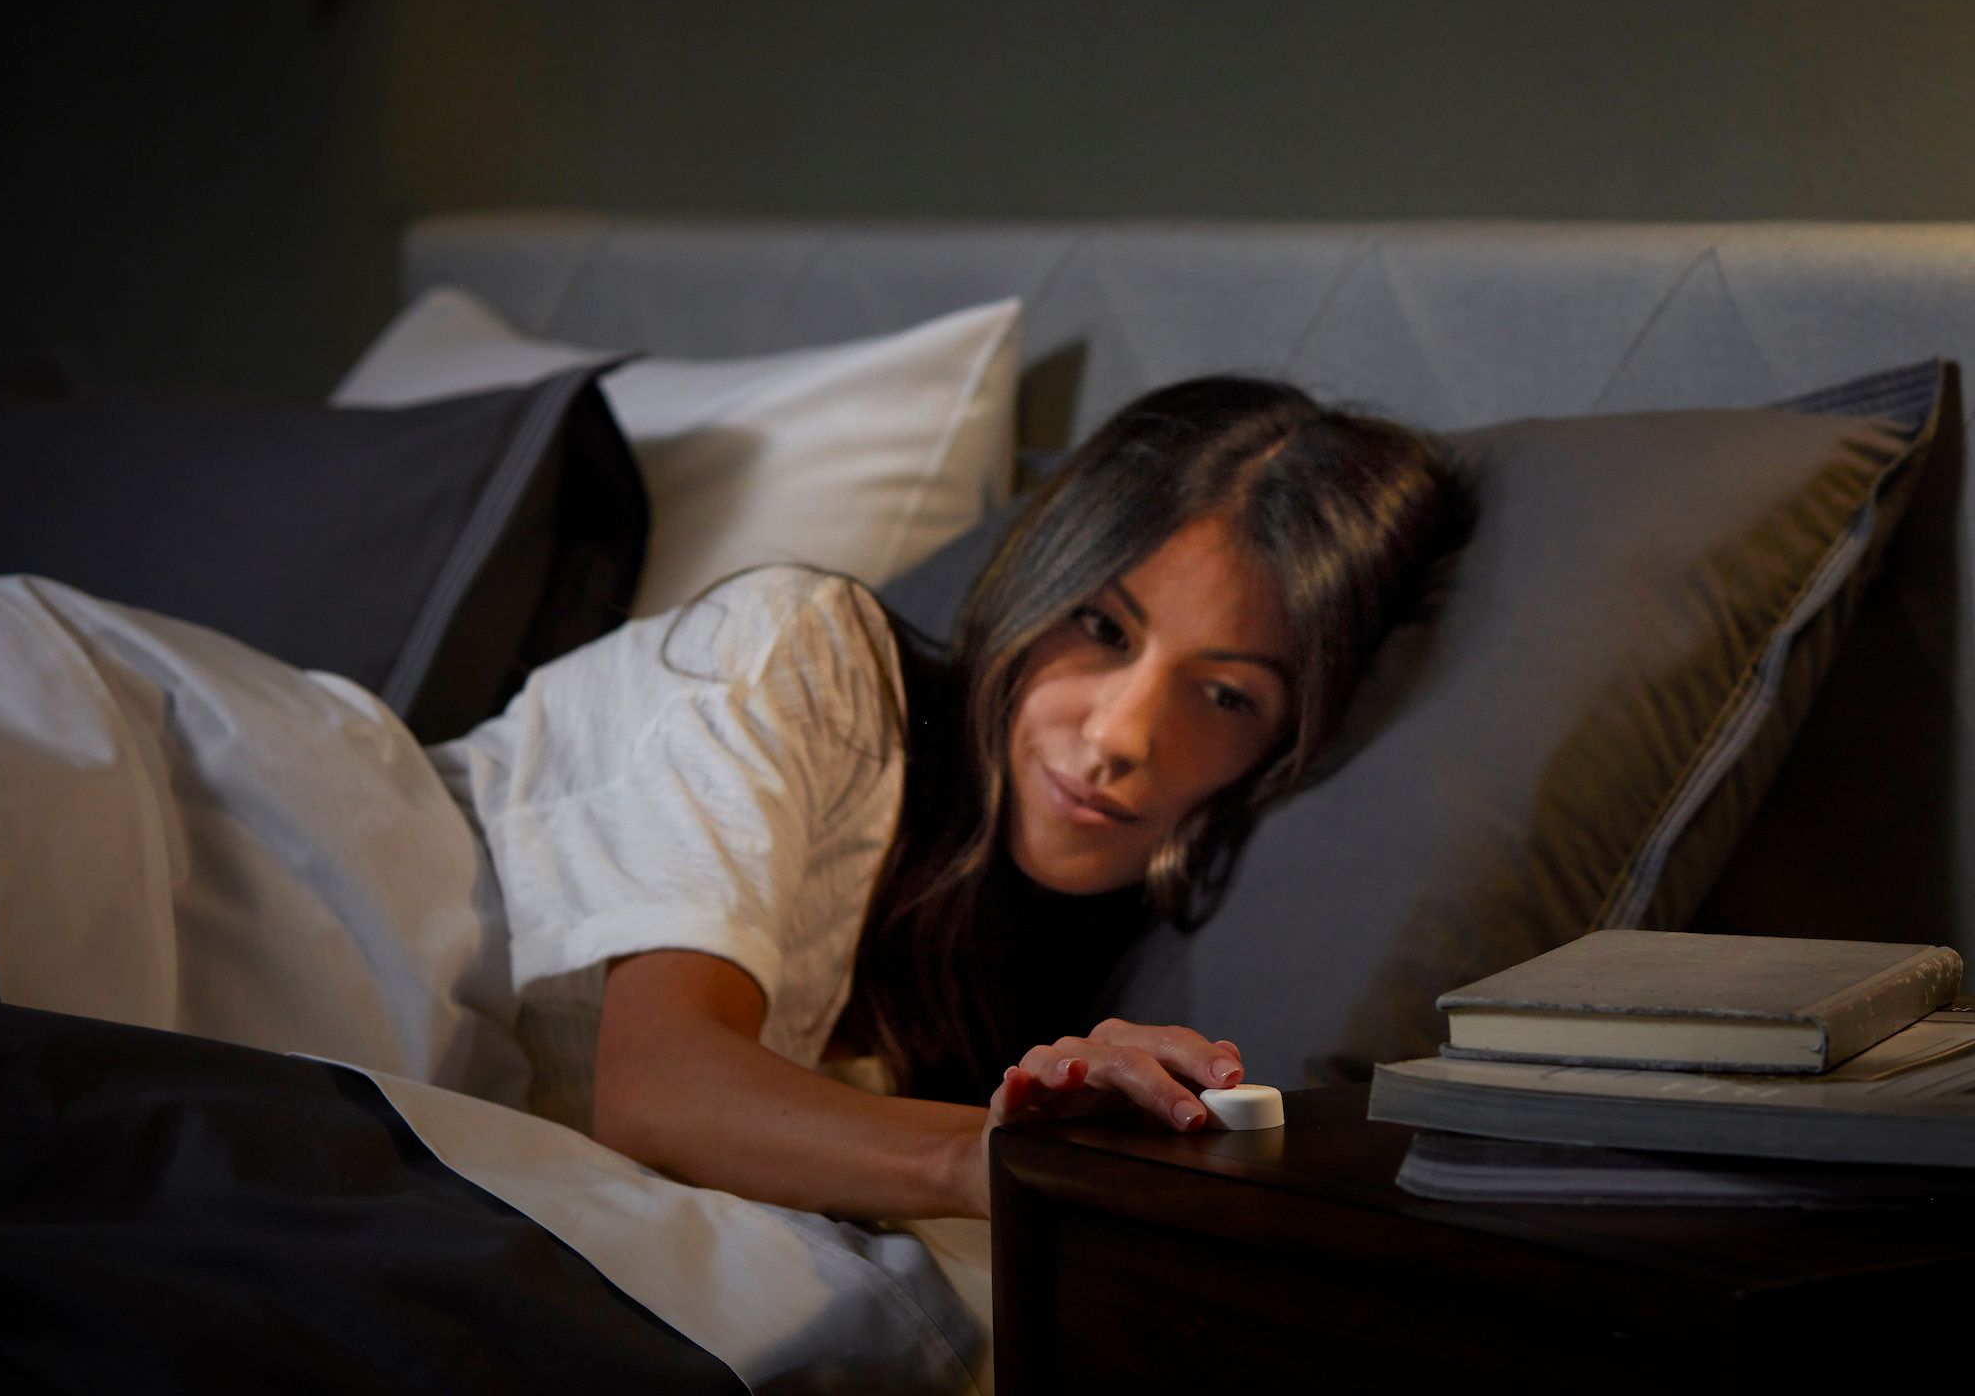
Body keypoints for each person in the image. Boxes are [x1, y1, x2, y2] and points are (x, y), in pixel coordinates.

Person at [433, 374, 1467, 1221]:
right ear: (1036, 578)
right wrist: (977, 1162)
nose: (1117, 737)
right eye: (1101, 628)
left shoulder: (1076, 981)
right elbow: (659, 1085)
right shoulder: (801, 654)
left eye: (1227, 696)